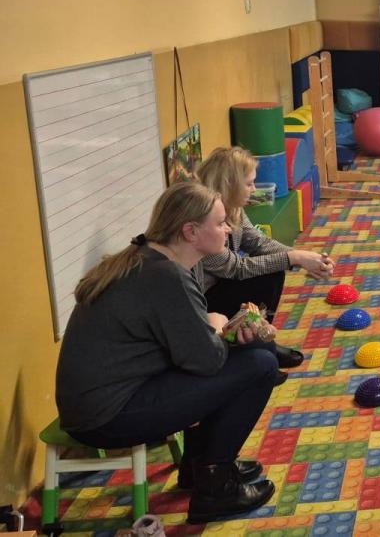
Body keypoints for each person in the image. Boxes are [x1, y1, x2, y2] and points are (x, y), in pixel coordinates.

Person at [56, 183, 277, 524]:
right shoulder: (167, 276)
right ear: (190, 232)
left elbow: (184, 350)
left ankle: (198, 466)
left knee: (253, 353)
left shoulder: (145, 258)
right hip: (107, 417)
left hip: (100, 403)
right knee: (260, 364)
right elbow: (206, 361)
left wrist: (220, 334)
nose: (229, 229)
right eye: (220, 223)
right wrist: (217, 325)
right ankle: (215, 486)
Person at [194, 147, 334, 375]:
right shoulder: (204, 220)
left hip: (220, 288)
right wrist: (294, 257)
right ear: (229, 185)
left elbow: (257, 242)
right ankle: (253, 349)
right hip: (202, 307)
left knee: (272, 267)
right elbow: (236, 268)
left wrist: (305, 258)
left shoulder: (233, 207)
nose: (254, 189)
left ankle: (260, 339)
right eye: (249, 184)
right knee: (270, 267)